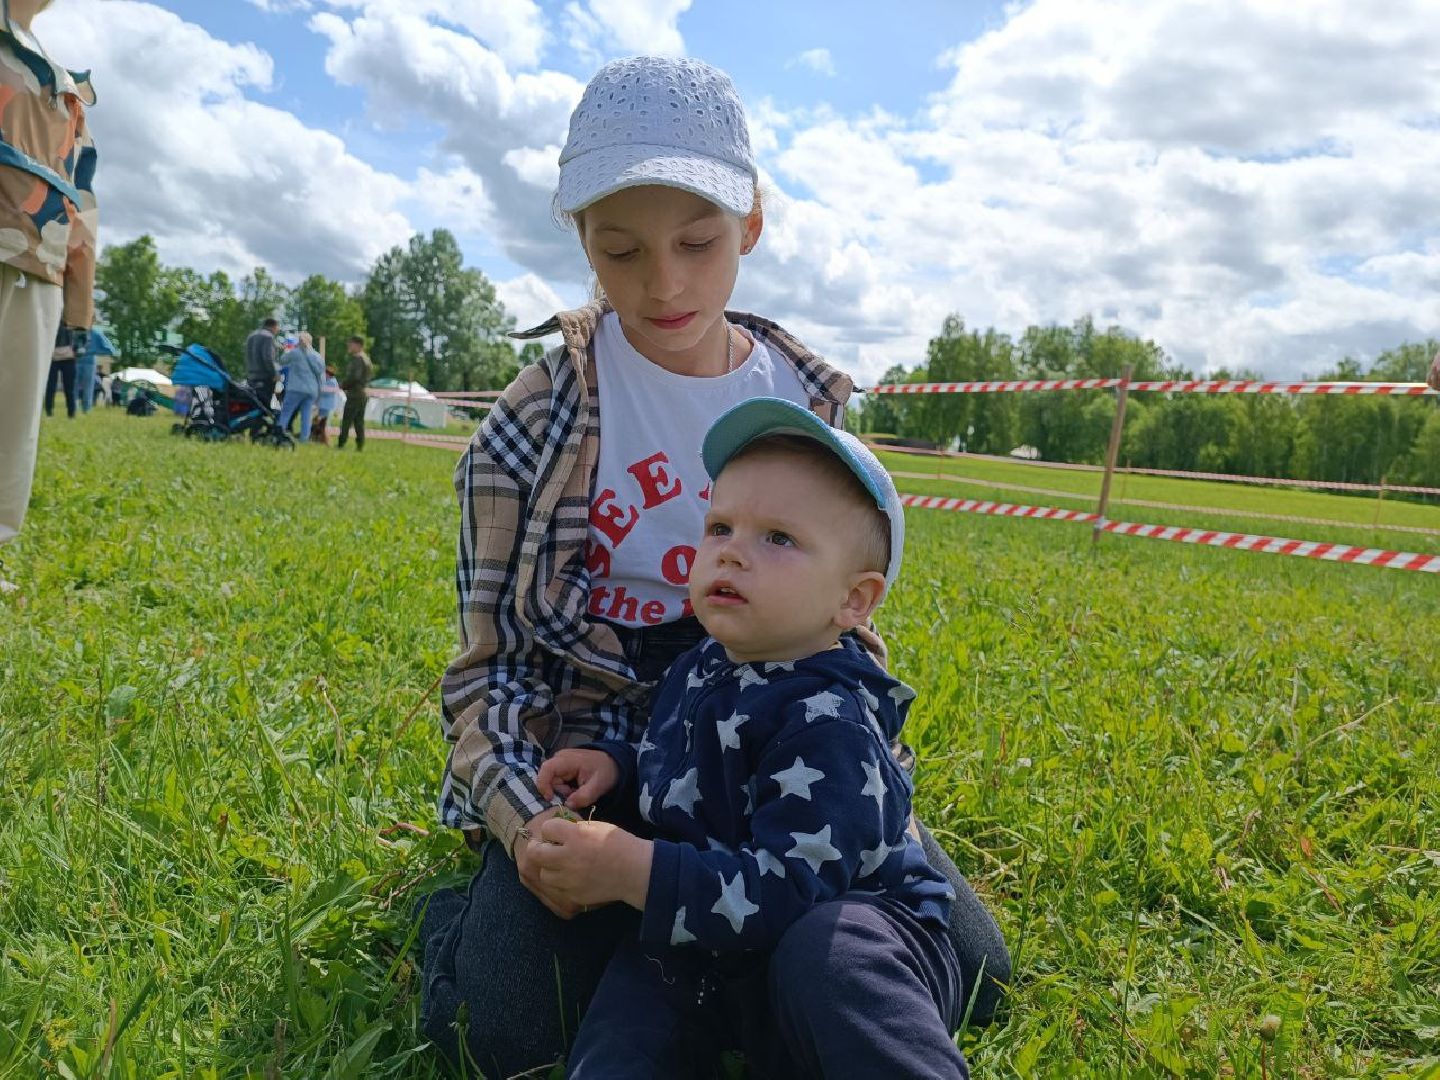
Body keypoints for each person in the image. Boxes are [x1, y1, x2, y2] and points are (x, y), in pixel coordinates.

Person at [417, 56, 1008, 1078]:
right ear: (580, 241)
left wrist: (854, 789)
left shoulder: (804, 405)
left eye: (698, 242)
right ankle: (554, 924)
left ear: (753, 223)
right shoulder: (529, 425)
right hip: (605, 764)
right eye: (620, 249)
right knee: (513, 1027)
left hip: (773, 763)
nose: (665, 283)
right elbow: (490, 671)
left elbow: (844, 636)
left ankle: (703, 945)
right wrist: (527, 829)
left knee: (970, 967)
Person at [535, 398, 970, 1078]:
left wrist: (631, 870)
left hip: (849, 947)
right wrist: (617, 766)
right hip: (715, 940)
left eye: (778, 539)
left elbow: (788, 893)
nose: (732, 552)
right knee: (634, 995)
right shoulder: (704, 663)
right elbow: (682, 768)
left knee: (832, 955)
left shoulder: (833, 721)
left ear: (854, 601)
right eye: (719, 526)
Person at [0, 0, 98, 574]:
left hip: (42, 255)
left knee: (14, 424)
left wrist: (80, 299)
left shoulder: (68, 87)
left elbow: (82, 195)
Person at [278, 330, 323, 443]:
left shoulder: (295, 352)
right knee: (306, 416)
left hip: (296, 388)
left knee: (286, 412)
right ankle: (304, 439)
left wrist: (287, 349)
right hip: (312, 390)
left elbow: (282, 360)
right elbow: (321, 375)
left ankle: (279, 434)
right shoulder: (317, 356)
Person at [336, 335, 372, 450]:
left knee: (347, 420)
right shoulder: (366, 358)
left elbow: (355, 377)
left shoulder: (358, 359)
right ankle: (360, 445)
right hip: (362, 393)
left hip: (355, 394)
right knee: (359, 422)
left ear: (358, 345)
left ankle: (341, 443)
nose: (349, 346)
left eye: (351, 344)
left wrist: (343, 385)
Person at [44, 324, 80, 418]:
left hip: (69, 357)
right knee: (51, 387)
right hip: (52, 357)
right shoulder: (52, 315)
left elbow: (82, 335)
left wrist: (77, 349)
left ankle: (71, 414)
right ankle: (49, 412)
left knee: (69, 388)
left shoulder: (72, 318)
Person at [245, 317, 280, 408]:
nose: (278, 330)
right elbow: (268, 358)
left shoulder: (251, 336)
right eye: (277, 327)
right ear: (273, 326)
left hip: (251, 376)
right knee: (265, 405)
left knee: (253, 404)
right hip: (265, 377)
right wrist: (274, 374)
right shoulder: (268, 337)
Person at [312, 365, 340, 444]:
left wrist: (319, 389)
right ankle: (318, 438)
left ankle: (324, 439)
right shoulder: (327, 381)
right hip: (322, 405)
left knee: (324, 424)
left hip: (327, 406)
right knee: (319, 423)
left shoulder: (332, 382)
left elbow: (324, 392)